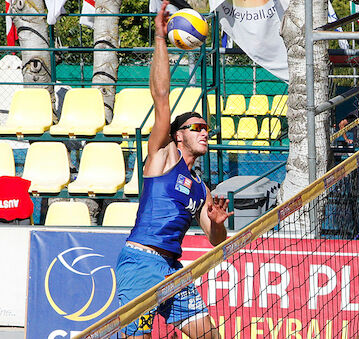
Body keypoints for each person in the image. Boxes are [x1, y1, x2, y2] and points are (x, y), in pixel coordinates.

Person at [116, 1, 232, 337]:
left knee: (209, 334)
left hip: (170, 268)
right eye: (196, 127)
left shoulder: (201, 187)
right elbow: (161, 95)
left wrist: (221, 225)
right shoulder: (162, 157)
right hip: (140, 262)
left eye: (206, 127)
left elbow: (215, 239)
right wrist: (160, 39)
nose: (204, 131)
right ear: (178, 135)